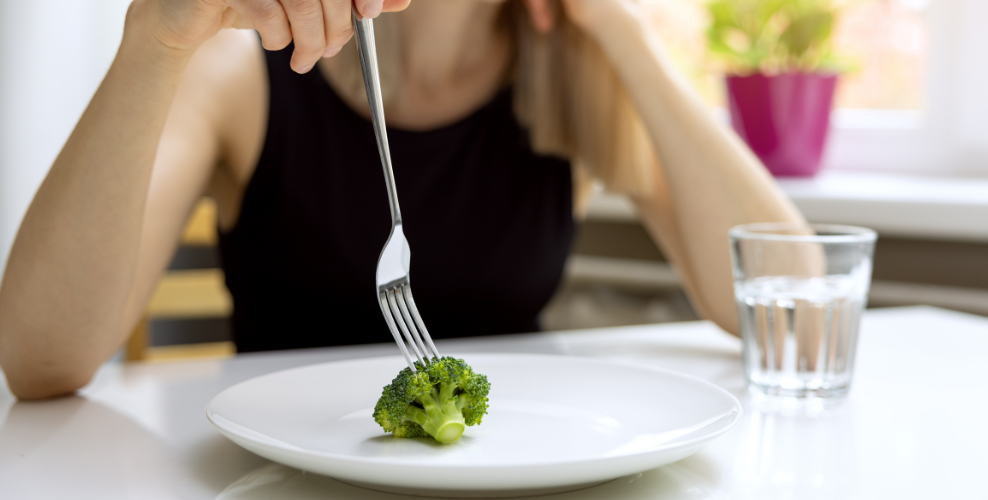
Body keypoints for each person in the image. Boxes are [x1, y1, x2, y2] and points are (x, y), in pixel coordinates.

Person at [0, 0, 803, 399]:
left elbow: (794, 308)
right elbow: (41, 359)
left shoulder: (573, 79)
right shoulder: (241, 73)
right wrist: (157, 41)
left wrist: (621, 31)